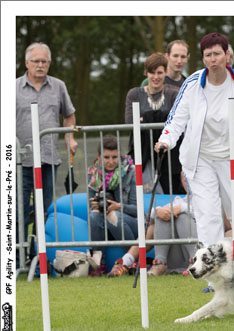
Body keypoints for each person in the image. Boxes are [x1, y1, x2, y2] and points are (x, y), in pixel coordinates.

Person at [155, 32, 234, 247]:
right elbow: (176, 119)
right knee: (209, 218)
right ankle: (214, 278)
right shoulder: (193, 83)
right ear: (203, 58)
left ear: (226, 55)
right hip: (201, 160)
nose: (213, 59)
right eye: (208, 55)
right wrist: (165, 141)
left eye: (217, 54)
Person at [16, 42, 78, 250]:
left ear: (49, 63)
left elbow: (69, 115)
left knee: (44, 209)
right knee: (18, 210)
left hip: (49, 159)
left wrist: (70, 138)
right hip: (20, 161)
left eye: (44, 61)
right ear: (27, 63)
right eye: (36, 61)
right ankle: (17, 256)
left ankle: (38, 254)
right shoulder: (12, 88)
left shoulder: (58, 86)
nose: (40, 65)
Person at [126, 52, 185, 195]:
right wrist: (163, 119)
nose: (156, 77)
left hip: (171, 155)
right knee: (146, 193)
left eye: (160, 72)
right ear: (146, 72)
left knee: (171, 191)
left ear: (165, 72)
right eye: (152, 73)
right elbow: (129, 122)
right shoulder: (134, 94)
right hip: (143, 153)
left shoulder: (174, 94)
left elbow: (178, 120)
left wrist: (145, 119)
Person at [88, 135, 138, 275]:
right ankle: (98, 265)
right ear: (99, 157)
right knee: (93, 216)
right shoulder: (93, 174)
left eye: (114, 157)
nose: (111, 162)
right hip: (104, 224)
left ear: (120, 156)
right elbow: (90, 205)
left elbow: (137, 210)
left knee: (112, 214)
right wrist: (95, 206)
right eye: (106, 157)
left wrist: (119, 206)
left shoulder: (130, 171)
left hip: (130, 222)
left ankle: (132, 261)